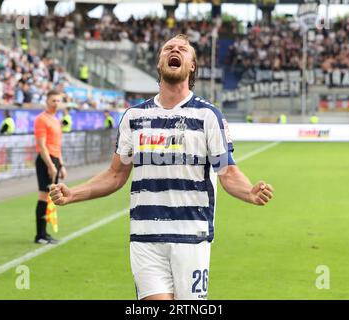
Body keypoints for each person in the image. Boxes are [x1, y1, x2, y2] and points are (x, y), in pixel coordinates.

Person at [49, 34, 273, 300]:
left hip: (191, 235)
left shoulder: (208, 116)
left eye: (182, 49)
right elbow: (115, 174)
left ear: (192, 66)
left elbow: (227, 171)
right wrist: (74, 193)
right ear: (159, 62)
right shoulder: (134, 117)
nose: (174, 50)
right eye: (168, 48)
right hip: (145, 237)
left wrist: (249, 192)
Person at [33, 90, 67, 244]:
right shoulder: (41, 119)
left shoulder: (55, 119)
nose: (56, 103)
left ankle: (45, 234)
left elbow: (57, 145)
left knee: (49, 197)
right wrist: (50, 165)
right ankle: (40, 235)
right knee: (44, 196)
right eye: (53, 100)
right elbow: (42, 146)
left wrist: (61, 165)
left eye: (58, 100)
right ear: (47, 101)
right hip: (46, 160)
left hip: (55, 160)